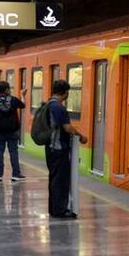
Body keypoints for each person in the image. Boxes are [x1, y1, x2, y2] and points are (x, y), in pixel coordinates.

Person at [46, 79, 87, 219]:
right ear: (65, 92)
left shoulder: (48, 104)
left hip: (50, 147)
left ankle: (53, 208)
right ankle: (60, 210)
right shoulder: (58, 107)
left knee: (53, 178)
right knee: (60, 180)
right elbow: (67, 127)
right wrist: (81, 136)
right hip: (58, 149)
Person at [0, 81, 27, 182]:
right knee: (13, 152)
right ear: (6, 90)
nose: (10, 90)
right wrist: (22, 95)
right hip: (12, 131)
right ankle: (15, 174)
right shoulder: (13, 100)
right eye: (9, 88)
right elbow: (23, 105)